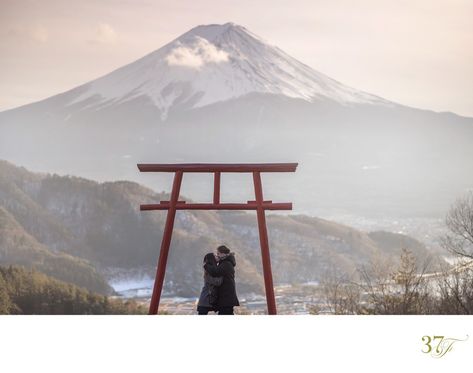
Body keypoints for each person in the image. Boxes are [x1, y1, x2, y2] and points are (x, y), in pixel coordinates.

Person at [204, 245, 239, 315]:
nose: (217, 255)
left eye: (218, 253)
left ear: (223, 254)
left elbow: (215, 272)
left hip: (226, 297)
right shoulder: (226, 263)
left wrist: (206, 265)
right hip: (226, 296)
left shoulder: (226, 264)